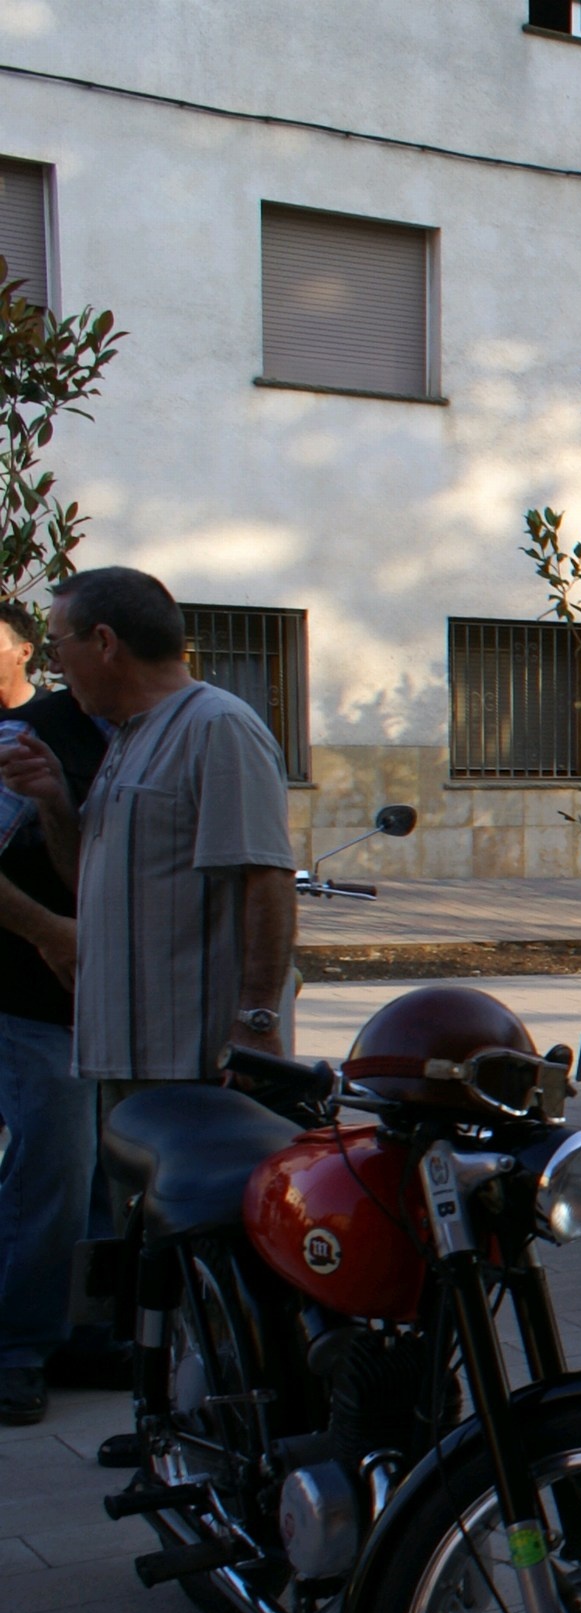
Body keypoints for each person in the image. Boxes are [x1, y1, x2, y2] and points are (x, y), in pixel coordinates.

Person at [0, 567, 296, 1109]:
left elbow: (268, 880)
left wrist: (257, 1021)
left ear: (104, 642)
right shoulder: (129, 734)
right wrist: (53, 801)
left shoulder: (217, 727)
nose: (53, 666)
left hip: (193, 1064)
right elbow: (90, 882)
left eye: (58, 646)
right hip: (124, 1056)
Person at [0, 603, 107, 1427]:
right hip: (26, 1001)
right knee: (53, 1175)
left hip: (96, 1005)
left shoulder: (103, 729)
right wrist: (49, 935)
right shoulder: (32, 735)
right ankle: (18, 1347)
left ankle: (74, 1331)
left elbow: (90, 863)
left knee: (98, 1178)